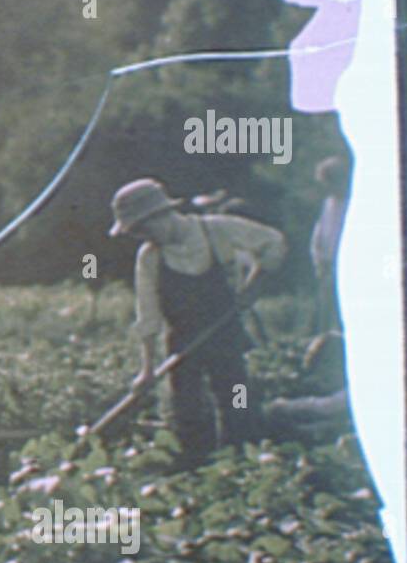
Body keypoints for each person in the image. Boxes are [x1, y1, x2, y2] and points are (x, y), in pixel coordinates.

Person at [109, 178, 286, 464]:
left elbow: (273, 242)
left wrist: (253, 286)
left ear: (161, 214)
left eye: (144, 228)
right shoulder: (150, 257)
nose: (144, 237)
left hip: (225, 334)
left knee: (236, 398)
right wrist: (146, 369)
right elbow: (148, 315)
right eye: (137, 233)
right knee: (187, 411)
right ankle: (196, 471)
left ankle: (243, 463)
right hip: (183, 343)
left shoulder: (217, 229)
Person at [310, 156, 349, 333]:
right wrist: (318, 257)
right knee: (327, 312)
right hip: (328, 265)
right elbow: (321, 230)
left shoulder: (351, 202)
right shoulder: (329, 203)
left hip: (345, 263)